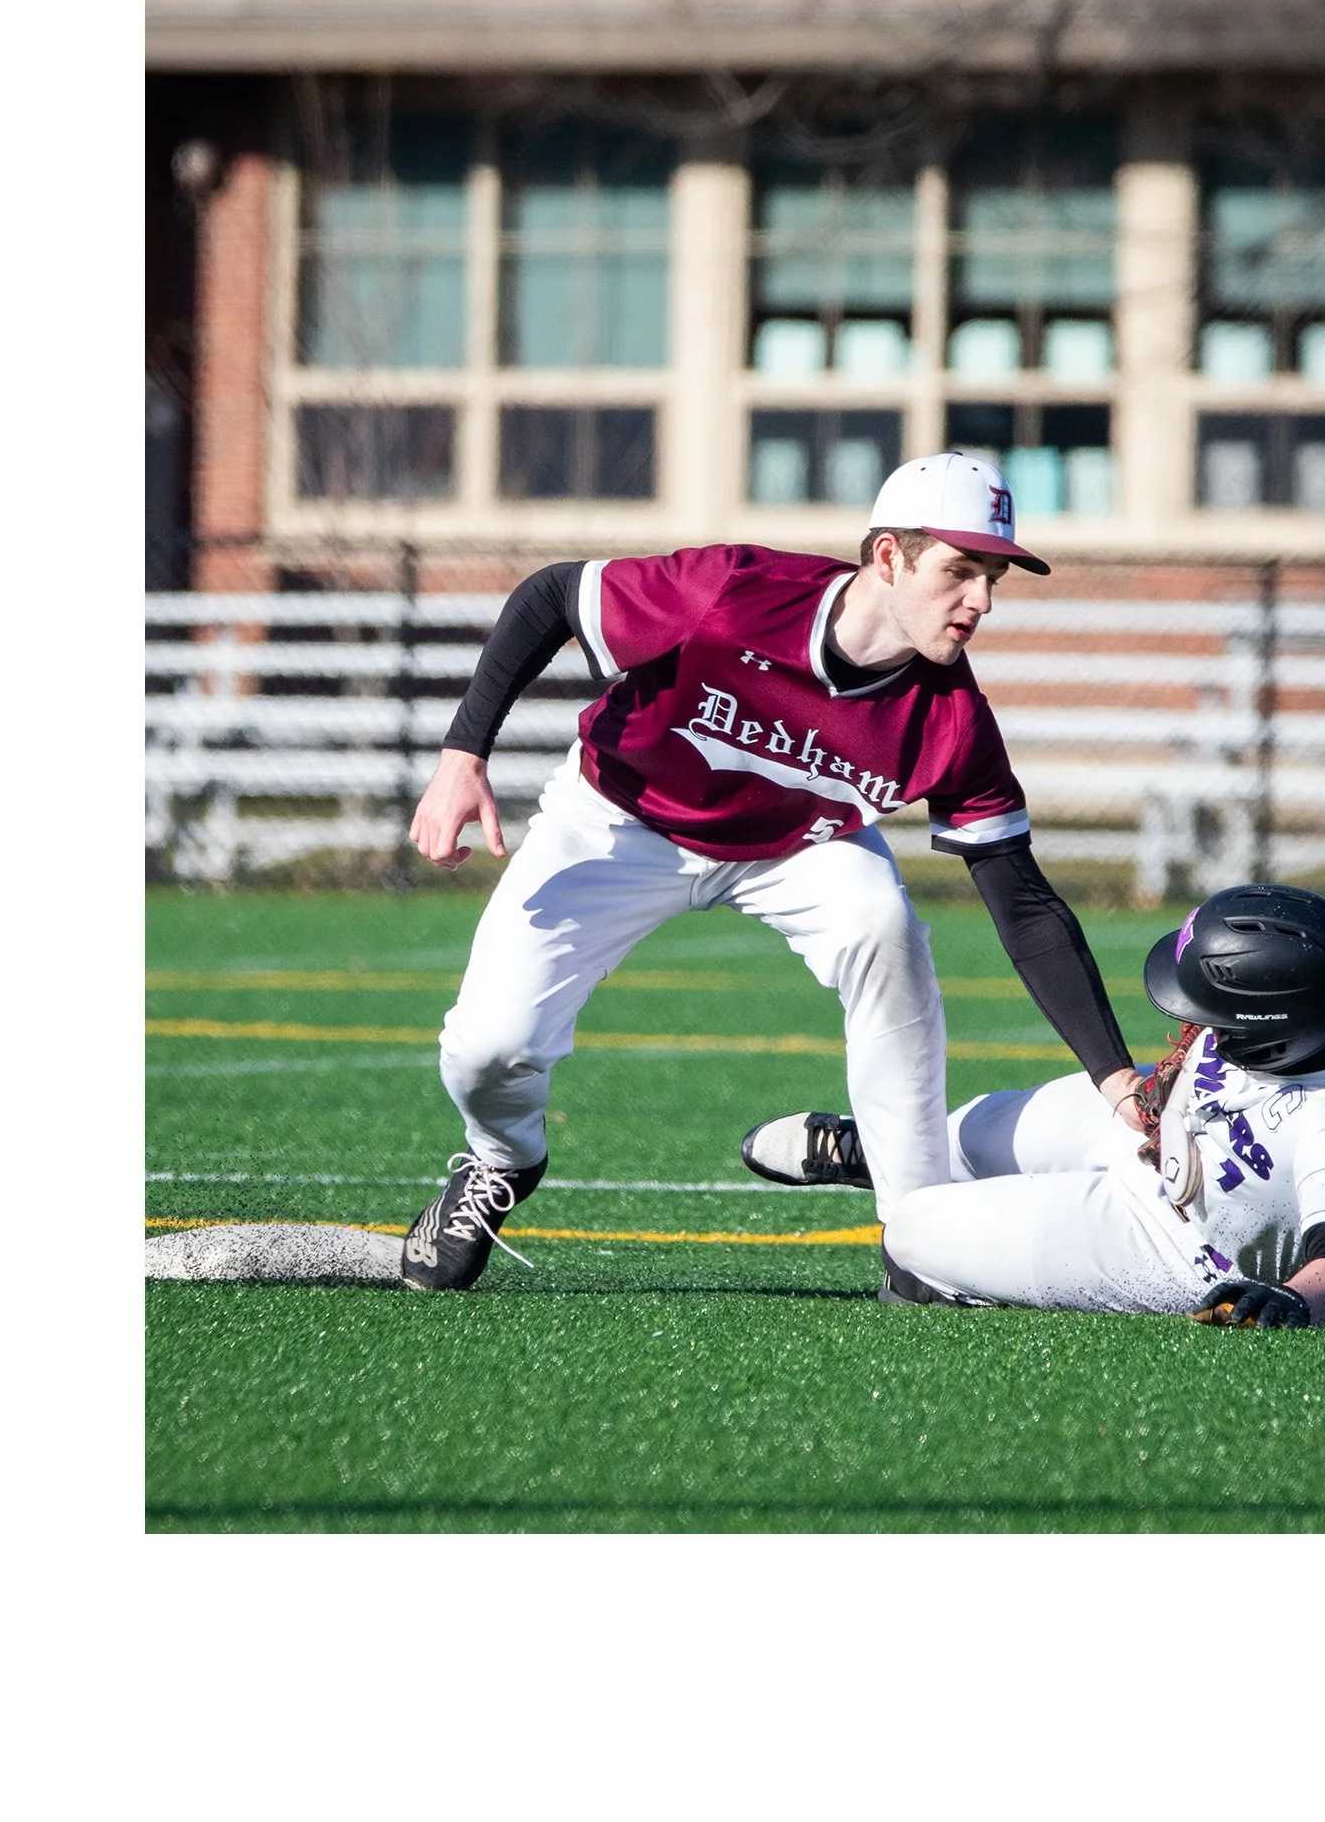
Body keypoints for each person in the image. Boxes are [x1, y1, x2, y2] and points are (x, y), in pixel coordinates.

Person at [398, 452, 1146, 1291]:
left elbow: (1026, 909)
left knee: (882, 923)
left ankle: (920, 1234)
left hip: (796, 847)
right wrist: (463, 756)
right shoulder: (733, 592)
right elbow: (550, 596)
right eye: (960, 571)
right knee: (486, 1050)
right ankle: (502, 1158)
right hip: (620, 818)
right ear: (889, 557)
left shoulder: (952, 719)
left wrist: (1115, 1077)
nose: (982, 600)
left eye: (993, 578)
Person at [744, 885, 1325, 1326]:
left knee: (914, 1229)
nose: (1193, 1020)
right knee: (973, 1131)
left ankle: (949, 1281)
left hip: (1174, 1237)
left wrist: (1296, 1300)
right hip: (1165, 1119)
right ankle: (885, 1155)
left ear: (1273, 1031)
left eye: (1213, 1013)